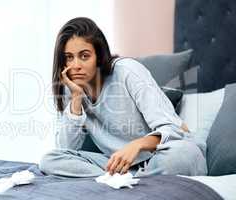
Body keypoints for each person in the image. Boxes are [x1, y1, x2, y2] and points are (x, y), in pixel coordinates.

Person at [39, 17, 207, 177]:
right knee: (50, 160)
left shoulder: (127, 71)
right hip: (120, 166)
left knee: (183, 155)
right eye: (69, 57)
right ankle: (124, 180)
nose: (75, 65)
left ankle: (127, 181)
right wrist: (76, 97)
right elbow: (66, 149)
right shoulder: (72, 87)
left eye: (84, 56)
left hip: (161, 157)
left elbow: (174, 129)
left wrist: (137, 145)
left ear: (98, 56)